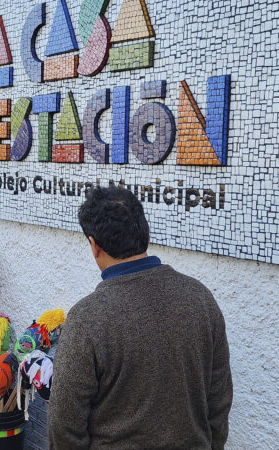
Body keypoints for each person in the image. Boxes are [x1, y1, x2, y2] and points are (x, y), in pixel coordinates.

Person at [48, 187, 233, 449]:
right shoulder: (201, 298)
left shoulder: (86, 319)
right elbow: (220, 398)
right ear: (146, 235)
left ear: (94, 246)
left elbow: (64, 422)